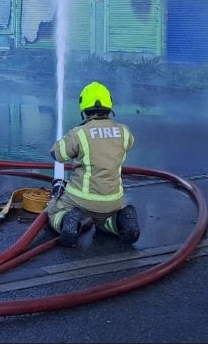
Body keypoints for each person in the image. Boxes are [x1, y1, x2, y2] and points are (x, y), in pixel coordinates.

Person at [45, 81, 140, 248]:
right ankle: (120, 221)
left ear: (84, 107)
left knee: (53, 210)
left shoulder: (79, 133)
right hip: (113, 200)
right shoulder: (124, 131)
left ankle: (66, 220)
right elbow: (129, 144)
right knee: (103, 223)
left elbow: (57, 154)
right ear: (109, 105)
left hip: (80, 199)